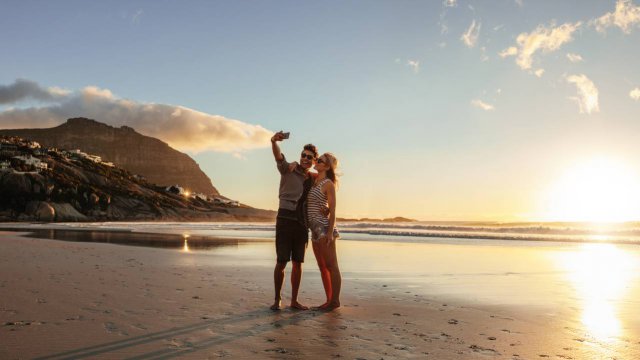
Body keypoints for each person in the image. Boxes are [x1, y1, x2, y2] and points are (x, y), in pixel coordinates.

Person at [270, 131, 318, 311]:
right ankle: (277, 299)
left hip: (301, 223)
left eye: (309, 157)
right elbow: (278, 156)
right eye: (303, 155)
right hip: (284, 219)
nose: (305, 159)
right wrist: (274, 141)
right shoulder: (288, 168)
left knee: (298, 263)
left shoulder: (313, 178)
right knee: (281, 262)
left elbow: (326, 182)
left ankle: (294, 301)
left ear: (314, 161)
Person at [307, 152, 342, 311]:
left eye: (319, 160)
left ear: (326, 166)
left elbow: (333, 210)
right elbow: (304, 171)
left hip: (323, 228)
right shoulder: (315, 180)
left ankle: (335, 301)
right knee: (322, 266)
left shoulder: (328, 183)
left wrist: (329, 233)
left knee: (331, 265)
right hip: (314, 229)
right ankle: (329, 299)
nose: (316, 161)